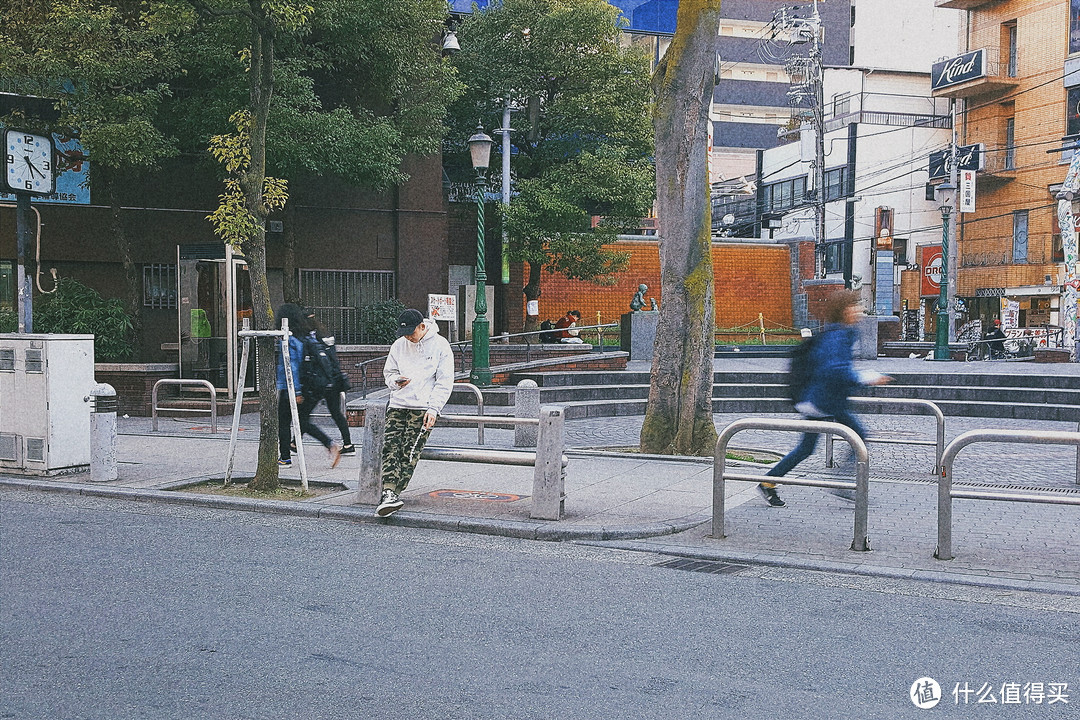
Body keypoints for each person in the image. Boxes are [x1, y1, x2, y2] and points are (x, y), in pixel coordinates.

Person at [758, 290, 891, 507]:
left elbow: (835, 368)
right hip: (824, 401)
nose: (859, 310)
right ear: (844, 311)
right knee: (860, 436)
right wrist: (866, 378)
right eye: (854, 306)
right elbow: (834, 370)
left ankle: (768, 483)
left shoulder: (839, 333)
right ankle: (844, 483)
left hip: (821, 400)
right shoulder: (838, 336)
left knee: (806, 449)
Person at [376, 308, 455, 517]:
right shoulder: (399, 345)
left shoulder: (440, 345)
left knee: (409, 451)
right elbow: (389, 373)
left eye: (412, 332)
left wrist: (434, 408)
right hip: (398, 403)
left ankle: (392, 492)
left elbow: (444, 381)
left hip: (423, 407)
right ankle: (389, 493)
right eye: (404, 334)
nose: (408, 337)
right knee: (390, 447)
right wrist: (395, 382)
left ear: (423, 326)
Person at [276, 303, 341, 469]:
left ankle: (285, 457)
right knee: (303, 421)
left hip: (294, 387)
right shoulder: (307, 335)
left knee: (284, 421)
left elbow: (291, 366)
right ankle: (329, 444)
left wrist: (295, 391)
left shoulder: (290, 338)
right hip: (312, 387)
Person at [301, 307, 355, 455]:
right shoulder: (325, 333)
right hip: (334, 380)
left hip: (320, 382)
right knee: (336, 413)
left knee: (304, 414)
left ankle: (295, 442)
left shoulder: (311, 337)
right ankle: (348, 444)